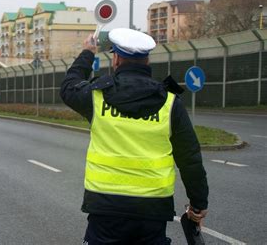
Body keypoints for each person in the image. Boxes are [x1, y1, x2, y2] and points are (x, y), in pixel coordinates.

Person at [60, 28, 209, 244]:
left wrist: (88, 52)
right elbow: (190, 159)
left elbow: (68, 87)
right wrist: (197, 206)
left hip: (106, 209)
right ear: (147, 61)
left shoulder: (96, 97)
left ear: (117, 59)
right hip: (153, 211)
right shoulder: (170, 103)